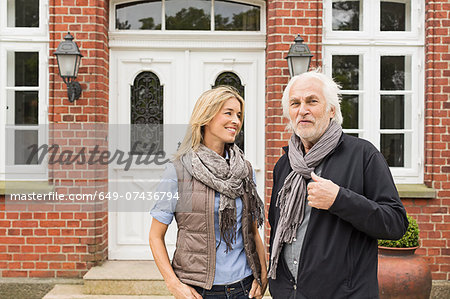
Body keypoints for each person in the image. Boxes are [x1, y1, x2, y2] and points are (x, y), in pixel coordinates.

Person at [268, 70, 408, 298]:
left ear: (332, 110)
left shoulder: (363, 155)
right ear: (289, 113)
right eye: (295, 103)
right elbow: (277, 229)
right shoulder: (285, 165)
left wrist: (339, 200)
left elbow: (395, 223)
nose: (302, 110)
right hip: (290, 293)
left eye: (312, 101)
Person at [149, 86, 268, 299]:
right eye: (228, 113)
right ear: (207, 116)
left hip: (244, 287)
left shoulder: (245, 170)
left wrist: (262, 274)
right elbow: (155, 236)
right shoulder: (178, 170)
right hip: (199, 290)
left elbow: (252, 231)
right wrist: (173, 284)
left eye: (239, 115)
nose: (236, 121)